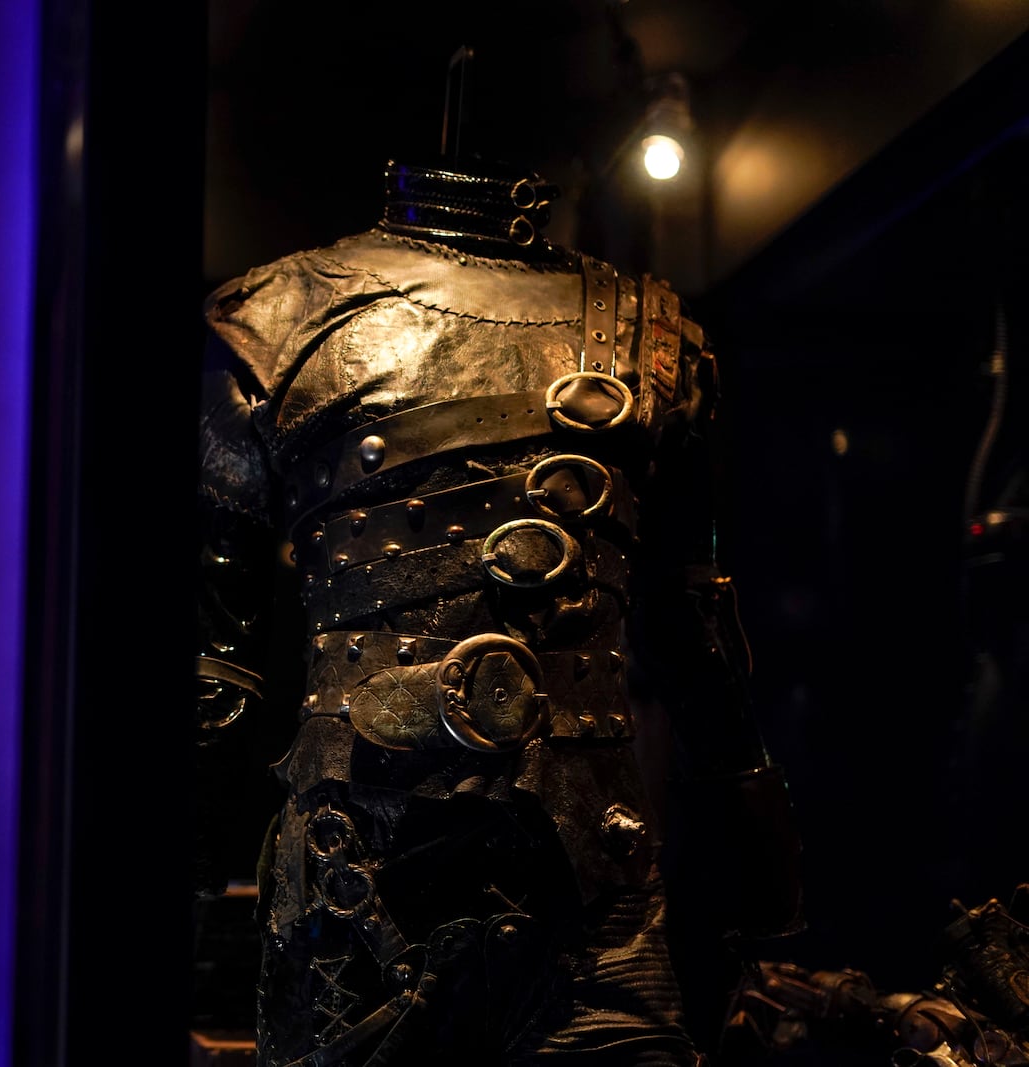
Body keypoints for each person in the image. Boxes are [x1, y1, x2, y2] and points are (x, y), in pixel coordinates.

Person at [192, 61, 803, 1065]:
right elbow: (216, 658)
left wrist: (748, 814)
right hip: (363, 875)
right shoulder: (272, 318)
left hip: (591, 878)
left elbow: (691, 622)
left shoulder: (655, 335)